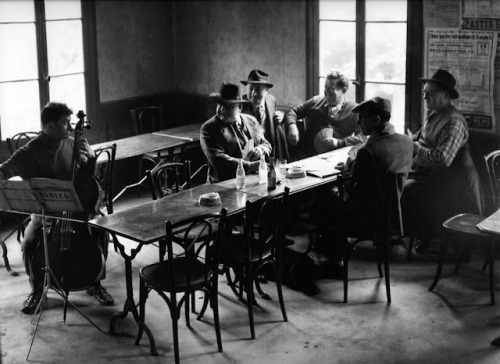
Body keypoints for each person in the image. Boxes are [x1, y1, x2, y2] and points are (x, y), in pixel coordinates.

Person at [0, 102, 114, 314]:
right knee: (29, 243)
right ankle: (37, 289)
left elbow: (90, 179)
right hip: (46, 213)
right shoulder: (29, 152)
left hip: (78, 211)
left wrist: (91, 159)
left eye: (70, 124)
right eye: (65, 124)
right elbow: (5, 170)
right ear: (49, 126)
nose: (70, 129)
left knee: (100, 230)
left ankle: (95, 282)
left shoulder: (75, 143)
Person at [311, 97, 413, 272]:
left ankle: (330, 260)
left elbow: (355, 188)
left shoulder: (369, 151)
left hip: (366, 219)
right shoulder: (406, 141)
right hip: (391, 214)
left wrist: (347, 172)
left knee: (322, 200)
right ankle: (329, 254)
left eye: (363, 118)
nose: (358, 122)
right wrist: (353, 166)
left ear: (376, 120)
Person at [401, 69, 482, 253]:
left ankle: (425, 235)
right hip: (430, 174)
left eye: (430, 93)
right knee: (396, 181)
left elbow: (443, 159)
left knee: (406, 190)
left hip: (451, 180)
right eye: (424, 93)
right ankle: (419, 232)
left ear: (445, 96)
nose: (424, 97)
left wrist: (415, 148)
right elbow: (418, 138)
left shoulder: (453, 122)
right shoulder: (435, 114)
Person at [200, 82, 272, 183]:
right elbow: (219, 160)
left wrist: (260, 150)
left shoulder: (251, 121)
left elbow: (266, 144)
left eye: (227, 106)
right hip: (224, 185)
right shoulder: (209, 128)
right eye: (219, 105)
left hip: (253, 181)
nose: (221, 109)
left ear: (240, 107)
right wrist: (250, 166)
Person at [284, 70, 365, 158]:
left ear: (344, 90)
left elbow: (362, 137)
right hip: (307, 157)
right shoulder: (316, 101)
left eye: (331, 89)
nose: (326, 92)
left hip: (336, 159)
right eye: (325, 87)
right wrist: (292, 126)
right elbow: (292, 112)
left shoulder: (354, 110)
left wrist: (339, 142)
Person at [240, 69, 289, 161]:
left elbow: (277, 119)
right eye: (251, 89)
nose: (254, 93)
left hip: (269, 154)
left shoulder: (271, 101)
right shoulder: (239, 105)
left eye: (258, 89)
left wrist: (281, 116)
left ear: (266, 91)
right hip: (249, 157)